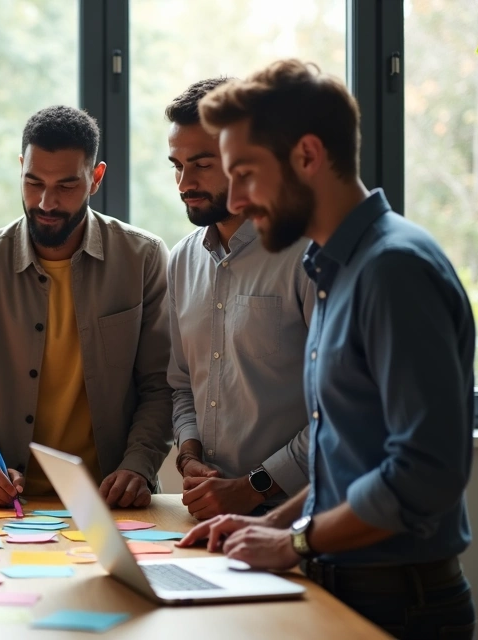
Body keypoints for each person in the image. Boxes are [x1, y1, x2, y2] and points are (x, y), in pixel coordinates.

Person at [180, 59, 476, 639]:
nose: (235, 200)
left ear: (308, 157)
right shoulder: (332, 267)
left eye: (246, 174)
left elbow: (423, 476)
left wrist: (291, 540)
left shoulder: (394, 270)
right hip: (339, 588)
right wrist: (265, 525)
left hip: (398, 609)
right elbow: (350, 460)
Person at [0, 105, 173, 509]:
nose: (46, 202)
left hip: (115, 504)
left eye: (66, 187)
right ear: (20, 168)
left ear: (96, 178)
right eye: (33, 182)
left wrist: (139, 466)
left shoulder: (144, 257)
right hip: (14, 508)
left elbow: (160, 386)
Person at [163, 78, 313, 520]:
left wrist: (252, 488)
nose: (184, 183)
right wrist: (188, 455)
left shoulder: (308, 254)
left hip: (296, 524)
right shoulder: (181, 260)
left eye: (202, 164)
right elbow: (181, 385)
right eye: (176, 165)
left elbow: (339, 417)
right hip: (207, 520)